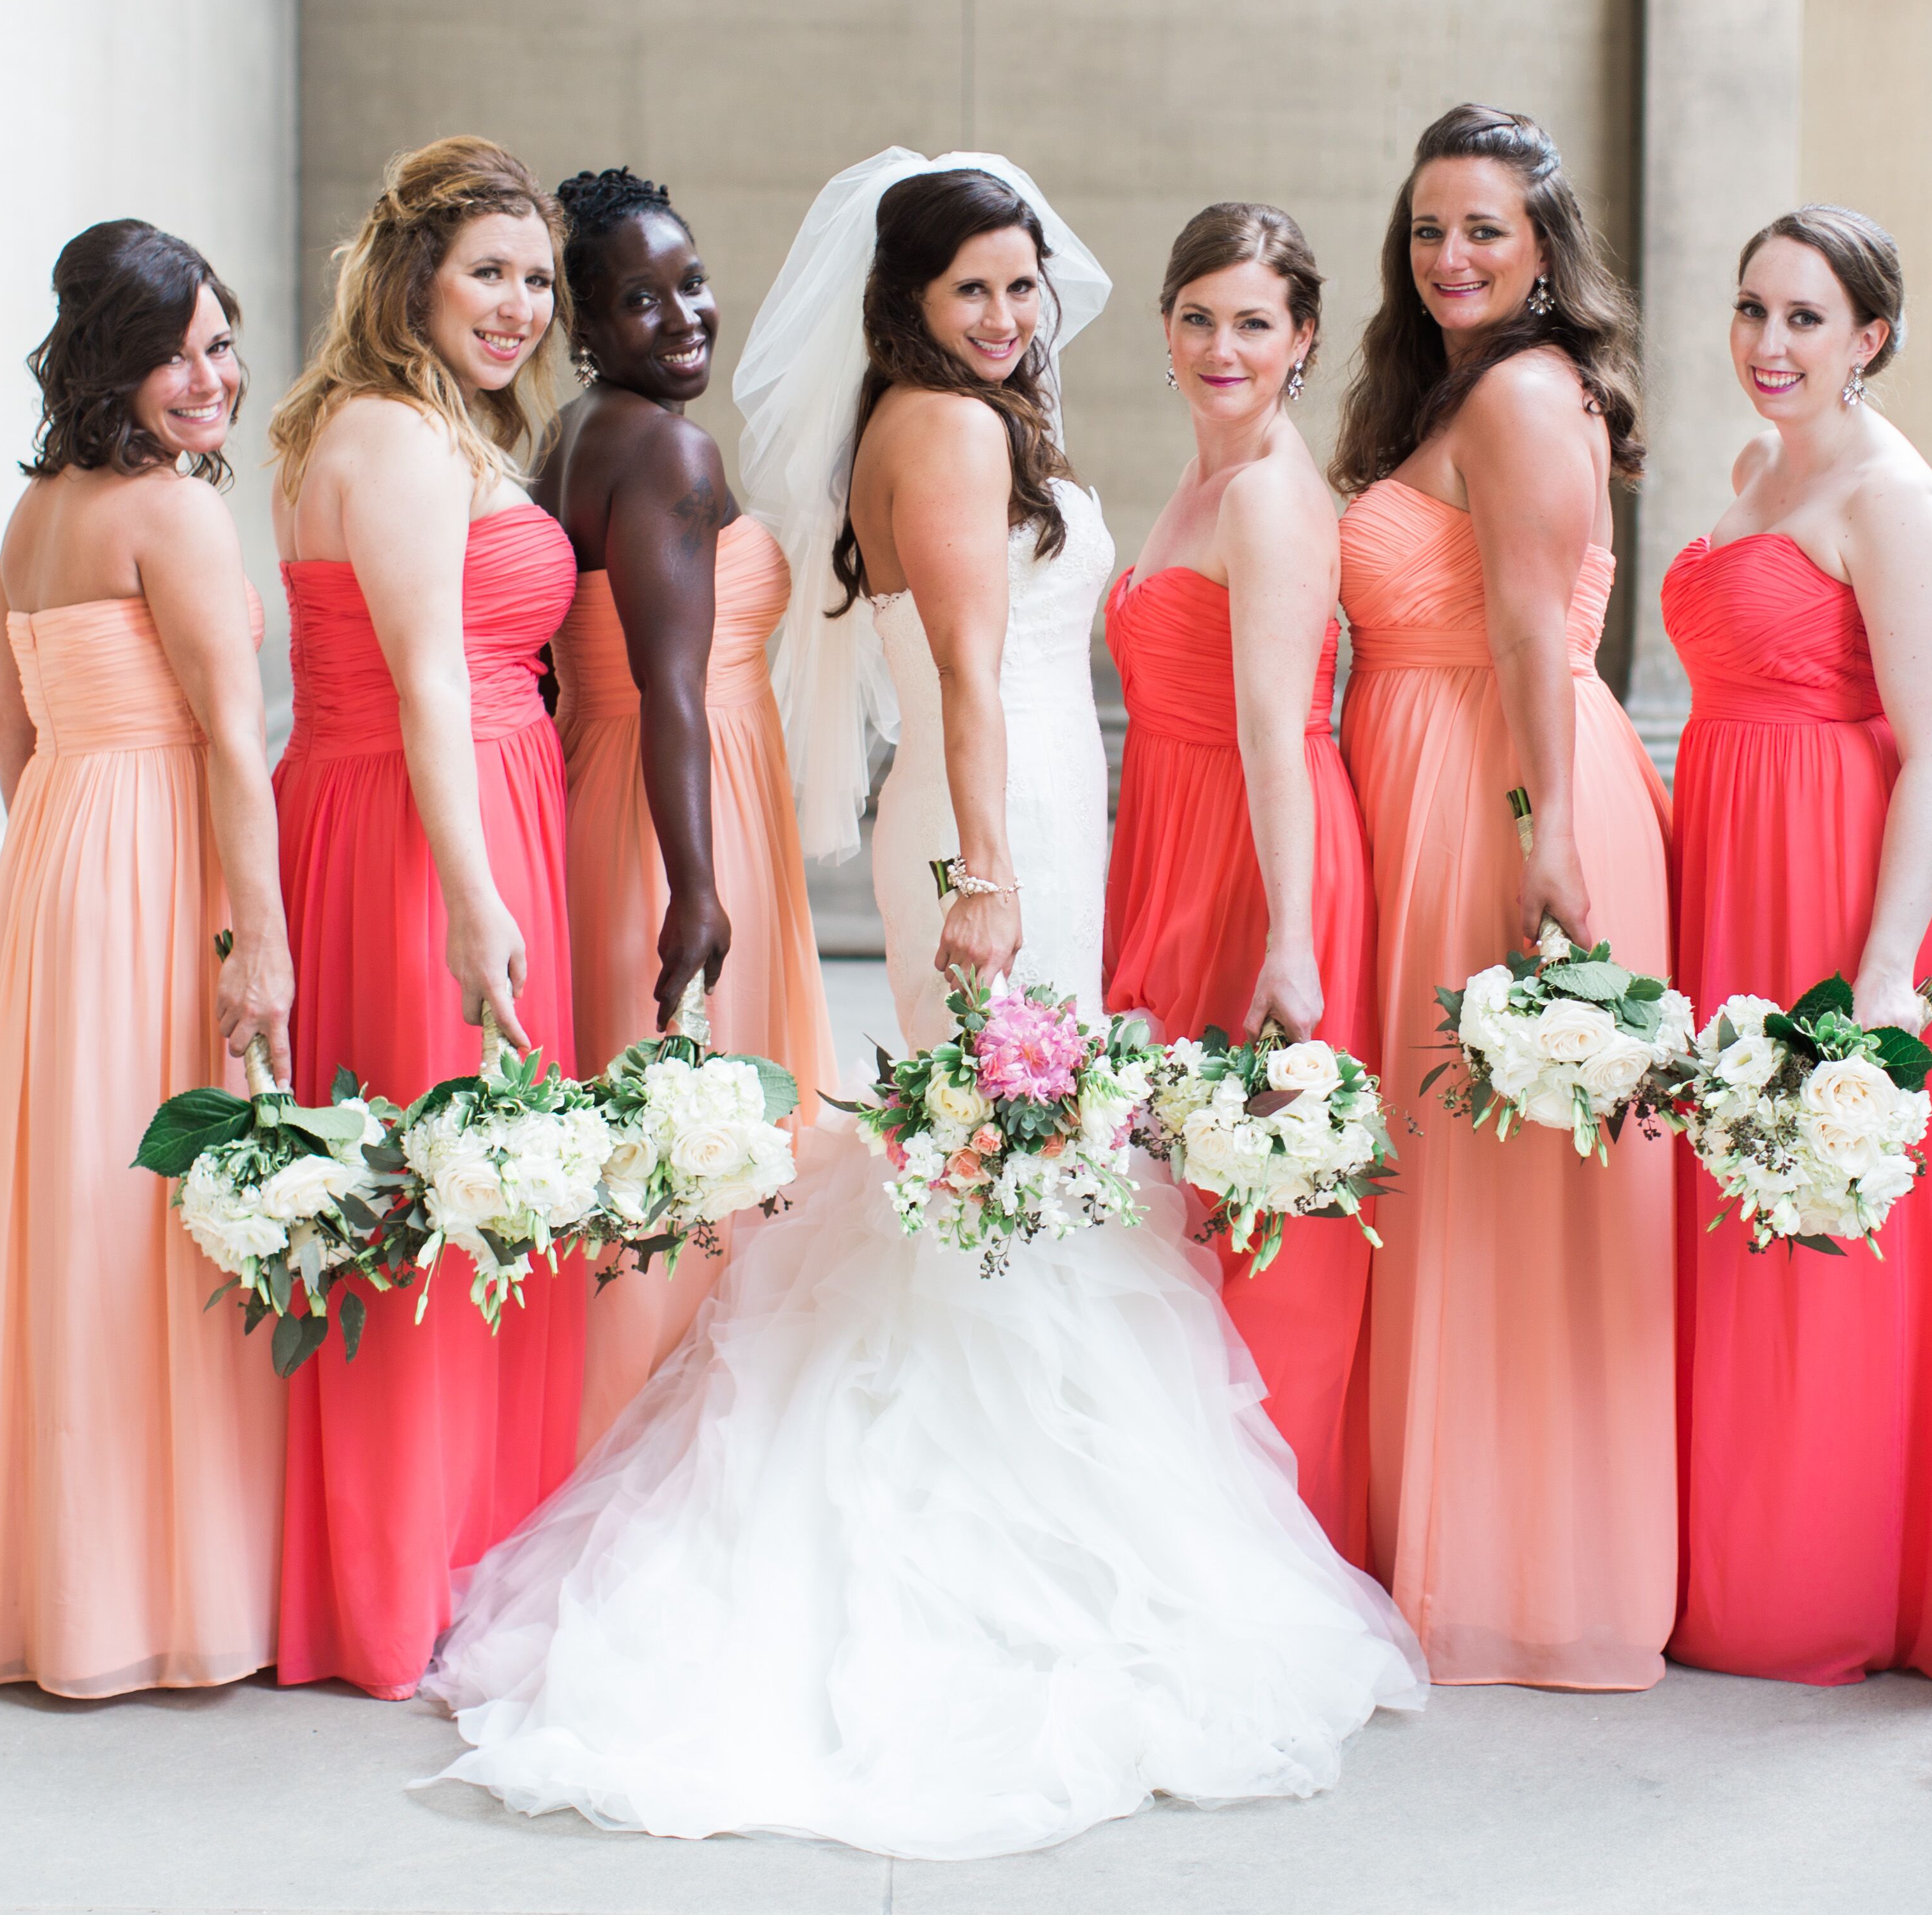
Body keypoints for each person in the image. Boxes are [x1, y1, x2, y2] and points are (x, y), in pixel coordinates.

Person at [419, 151, 1424, 1859]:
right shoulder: (949, 430)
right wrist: (984, 874)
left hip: (1017, 812)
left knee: (1002, 1173)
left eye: (1026, 285)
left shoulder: (953, 413)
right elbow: (964, 669)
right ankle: (1003, 1536)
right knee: (1001, 1177)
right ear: (909, 302)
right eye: (976, 290)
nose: (1013, 314)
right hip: (996, 822)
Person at [0, 220, 287, 1696]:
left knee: (65, 1208)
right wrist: (263, 944)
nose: (207, 377)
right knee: (145, 1224)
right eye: (175, 351)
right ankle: (147, 1596)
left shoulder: (35, 510)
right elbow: (235, 741)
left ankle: (54, 1588)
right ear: (111, 359)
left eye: (222, 344)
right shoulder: (171, 515)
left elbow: (8, 730)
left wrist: (63, 864)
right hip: (156, 849)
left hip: (58, 857)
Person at [1332, 103, 1676, 1689]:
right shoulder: (1452, 393)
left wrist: (1544, 836)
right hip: (1432, 776)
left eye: (1484, 228)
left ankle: (1529, 1576)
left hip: (1502, 780)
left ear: (1545, 254)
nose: (1452, 254)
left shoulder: (1531, 397)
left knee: (1503, 1183)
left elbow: (1543, 635)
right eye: (1427, 229)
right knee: (1446, 1169)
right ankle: (1444, 1535)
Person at [1664, 206, 1932, 1684]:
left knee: (1827, 1212)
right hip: (1736, 864)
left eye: (1806, 318)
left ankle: (1829, 1582)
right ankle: (1735, 1549)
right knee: (1734, 1205)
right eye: (1753, 308)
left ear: (1870, 336)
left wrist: (1884, 980)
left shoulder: (1890, 495)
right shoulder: (1760, 468)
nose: (1768, 343)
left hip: (1848, 875)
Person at [263, 137, 585, 1700]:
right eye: (489, 273)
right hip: (411, 829)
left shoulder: (438, 425)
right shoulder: (392, 436)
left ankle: (461, 1544)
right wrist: (472, 898)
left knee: (471, 1192)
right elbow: (425, 680)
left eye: (537, 278)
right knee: (424, 1187)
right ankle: (394, 1584)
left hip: (466, 805)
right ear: (413, 278)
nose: (520, 305)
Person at [534, 166, 838, 1453]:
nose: (685, 317)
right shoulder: (669, 446)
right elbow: (668, 685)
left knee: (641, 1143)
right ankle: (666, 1453)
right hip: (684, 809)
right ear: (588, 328)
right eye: (641, 301)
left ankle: (600, 1432)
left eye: (693, 282)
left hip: (610, 790)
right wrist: (699, 889)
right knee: (694, 1140)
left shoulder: (574, 434)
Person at [1100, 201, 1376, 1557]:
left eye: (1253, 322)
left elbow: (1282, 728)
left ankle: (1271, 1531)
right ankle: (1180, 1508)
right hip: (1173, 830)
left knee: (1251, 1183)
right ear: (1165, 329)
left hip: (1258, 856)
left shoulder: (1267, 494)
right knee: (1177, 1178)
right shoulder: (1198, 481)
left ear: (1302, 340)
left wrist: (1294, 939)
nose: (1222, 345)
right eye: (1199, 316)